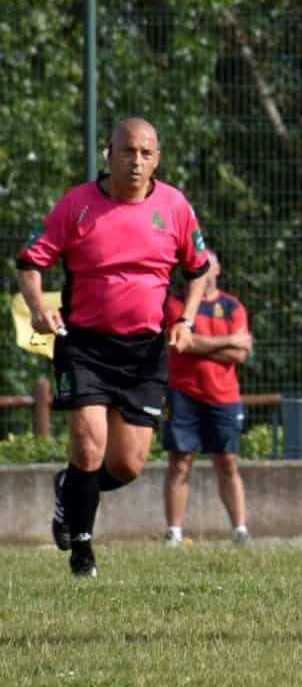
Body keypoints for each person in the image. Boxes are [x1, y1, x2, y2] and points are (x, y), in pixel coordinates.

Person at [16, 117, 210, 577]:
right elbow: (29, 262)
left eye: (146, 153)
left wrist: (185, 319)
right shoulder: (77, 205)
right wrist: (39, 307)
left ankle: (70, 490)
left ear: (157, 158)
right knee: (88, 445)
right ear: (109, 153)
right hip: (83, 345)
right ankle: (83, 551)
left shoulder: (175, 207)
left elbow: (198, 271)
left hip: (143, 354)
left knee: (127, 465)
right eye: (127, 151)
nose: (136, 161)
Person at [161, 250, 253, 546]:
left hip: (224, 397)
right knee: (180, 461)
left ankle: (240, 530)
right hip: (182, 393)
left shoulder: (232, 307)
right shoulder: (176, 303)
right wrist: (227, 341)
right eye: (195, 266)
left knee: (227, 462)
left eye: (206, 264)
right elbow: (180, 343)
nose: (200, 269)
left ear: (217, 269)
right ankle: (174, 533)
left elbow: (241, 353)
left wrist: (198, 343)